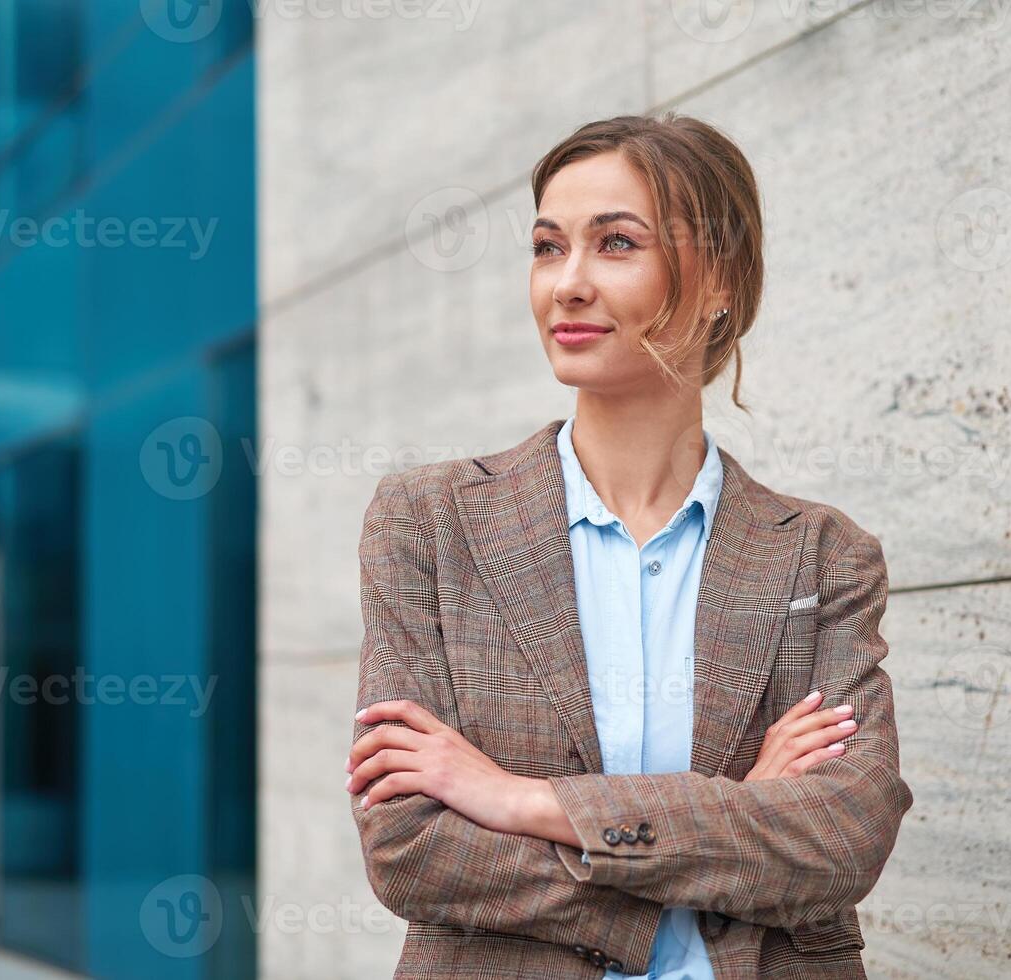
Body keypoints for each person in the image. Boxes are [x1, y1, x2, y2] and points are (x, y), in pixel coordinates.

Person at [345, 112, 912, 978]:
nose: (566, 284)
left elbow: (842, 839)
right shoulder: (428, 523)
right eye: (546, 247)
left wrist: (520, 800)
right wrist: (730, 823)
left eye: (615, 244)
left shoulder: (823, 558)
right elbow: (412, 846)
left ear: (719, 277)